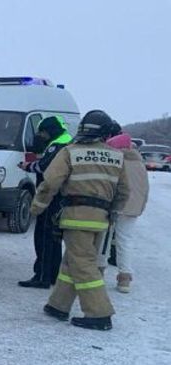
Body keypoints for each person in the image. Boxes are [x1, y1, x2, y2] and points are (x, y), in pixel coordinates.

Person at [31, 110, 130, 331]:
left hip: (76, 217)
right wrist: (112, 212)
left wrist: (37, 207)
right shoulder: (116, 156)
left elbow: (50, 183)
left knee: (83, 265)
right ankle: (58, 305)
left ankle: (99, 313)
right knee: (72, 261)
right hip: (101, 219)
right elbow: (124, 191)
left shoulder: (70, 152)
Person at [18, 116, 73, 288]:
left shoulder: (57, 145)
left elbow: (44, 167)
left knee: (43, 236)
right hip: (61, 197)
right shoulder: (67, 141)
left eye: (42, 131)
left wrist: (26, 166)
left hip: (51, 197)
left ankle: (42, 276)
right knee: (54, 238)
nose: (40, 135)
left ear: (50, 130)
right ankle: (52, 274)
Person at [97, 131, 149, 293]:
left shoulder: (117, 161)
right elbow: (144, 188)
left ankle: (99, 271)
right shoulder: (139, 163)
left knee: (103, 239)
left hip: (115, 205)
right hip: (133, 207)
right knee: (125, 241)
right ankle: (124, 278)